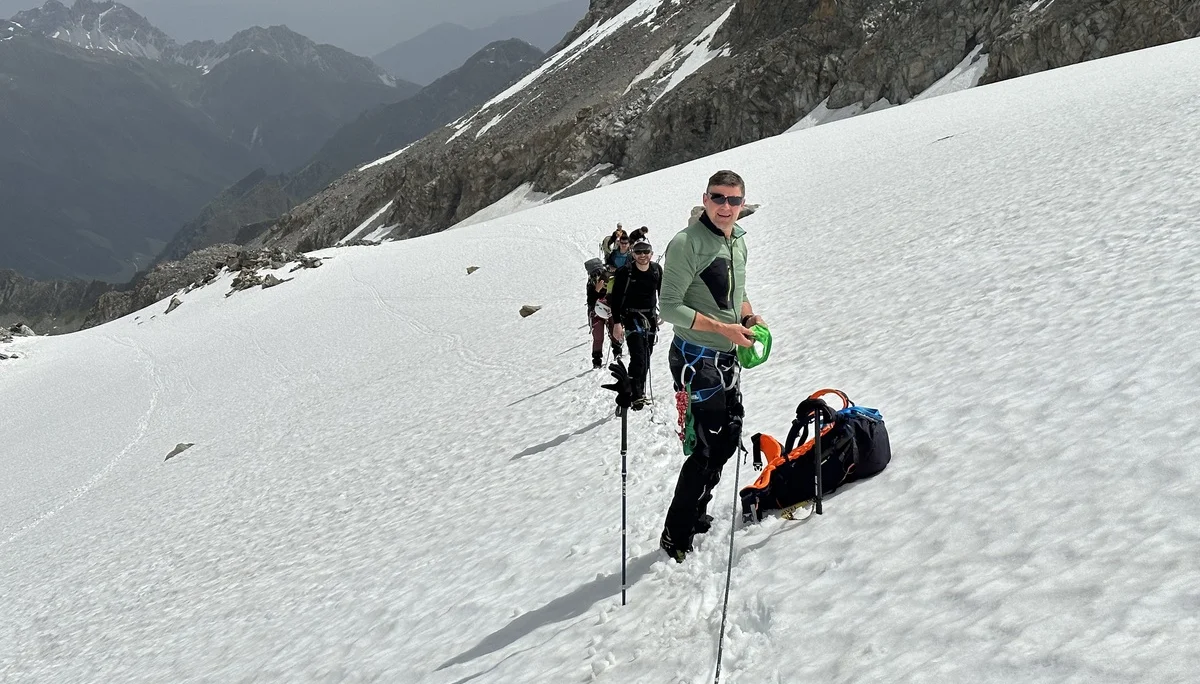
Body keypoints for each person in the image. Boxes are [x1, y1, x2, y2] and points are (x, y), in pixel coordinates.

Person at [657, 170, 766, 562]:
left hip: (724, 356)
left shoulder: (736, 240)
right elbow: (668, 306)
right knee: (706, 448)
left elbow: (737, 291)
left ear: (742, 204)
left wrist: (750, 318)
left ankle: (698, 509)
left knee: (724, 438)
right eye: (718, 198)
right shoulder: (687, 243)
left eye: (734, 200)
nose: (726, 207)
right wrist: (724, 328)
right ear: (705, 199)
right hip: (696, 358)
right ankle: (676, 532)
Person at [609, 237, 662, 410]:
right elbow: (615, 299)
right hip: (631, 318)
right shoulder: (625, 272)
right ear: (633, 253)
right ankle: (637, 395)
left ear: (651, 254)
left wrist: (666, 312)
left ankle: (634, 389)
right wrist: (617, 323)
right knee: (638, 356)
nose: (642, 255)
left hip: (651, 319)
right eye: (638, 252)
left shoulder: (656, 270)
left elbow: (663, 293)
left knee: (645, 356)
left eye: (646, 252)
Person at [587, 267, 621, 368]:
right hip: (597, 312)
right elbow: (590, 301)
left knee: (612, 330)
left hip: (608, 310)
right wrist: (597, 290)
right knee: (598, 336)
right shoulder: (591, 284)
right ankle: (597, 360)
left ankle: (617, 351)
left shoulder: (611, 281)